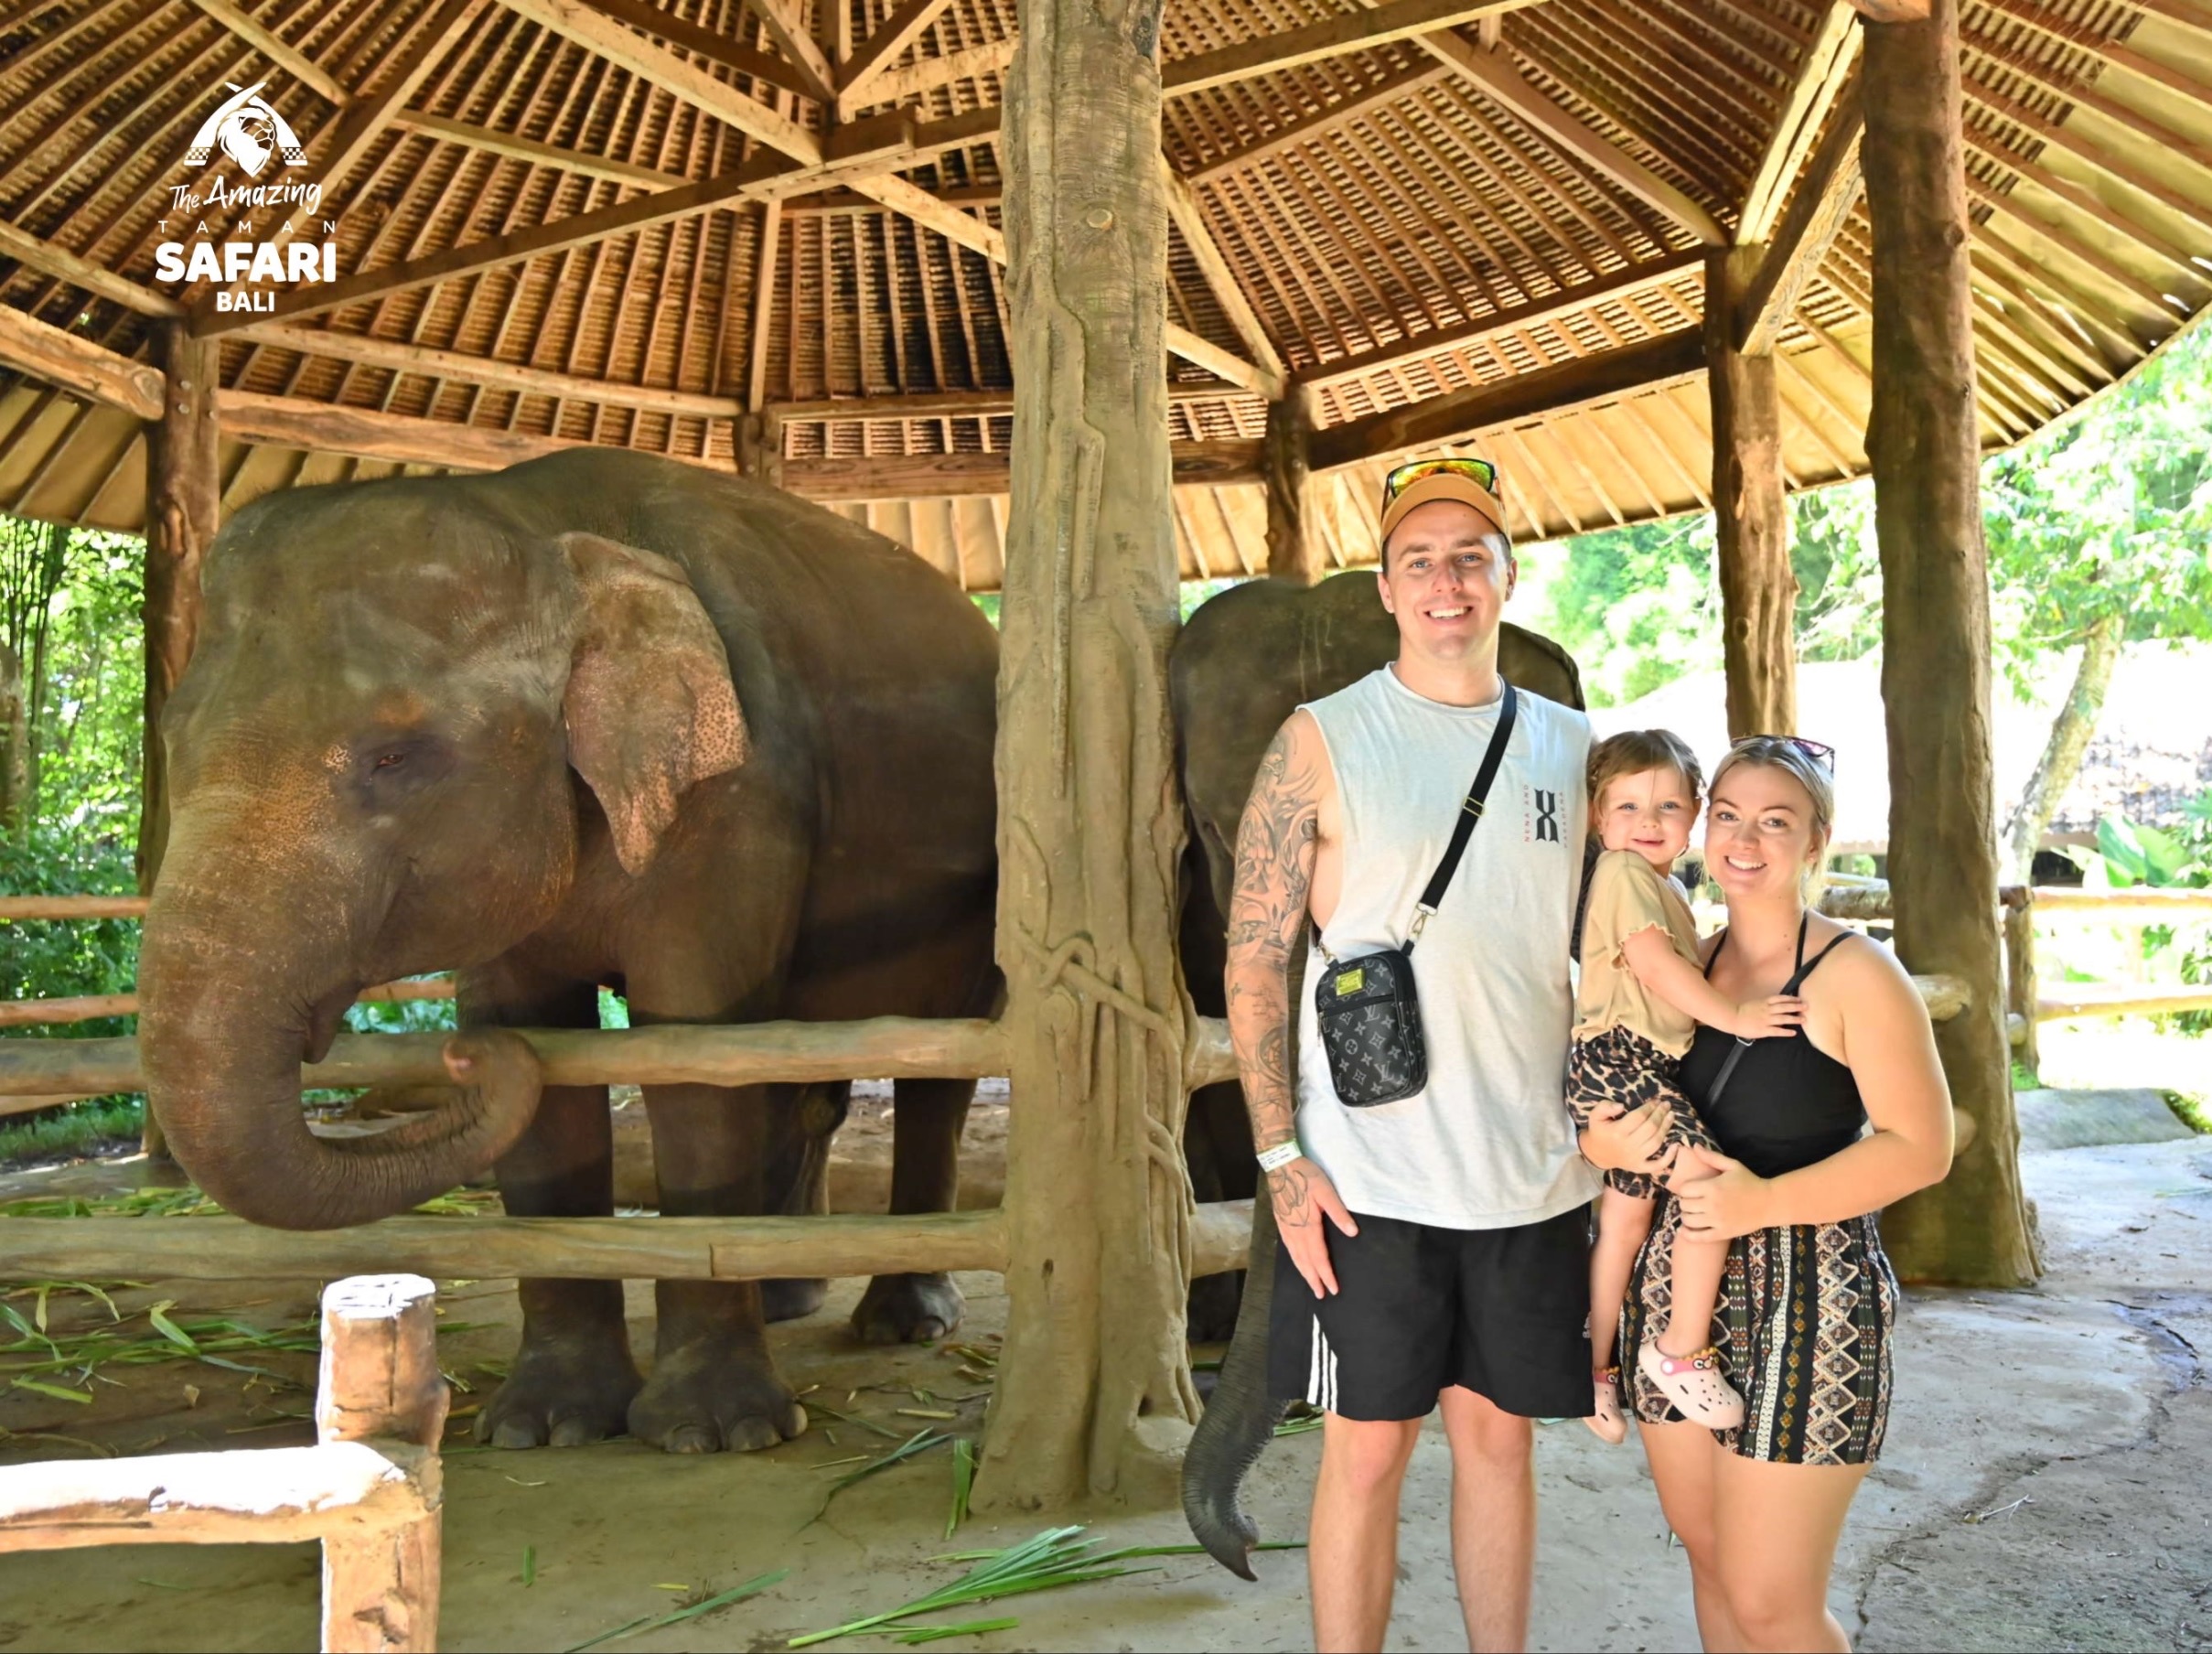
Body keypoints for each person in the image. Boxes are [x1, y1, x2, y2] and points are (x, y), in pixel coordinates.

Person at [1224, 455, 1595, 1654]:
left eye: (1469, 558)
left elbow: (1619, 941)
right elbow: (1251, 959)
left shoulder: (1572, 749)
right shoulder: (1318, 743)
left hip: (1533, 1170)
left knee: (1498, 1443)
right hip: (1366, 1179)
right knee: (1367, 1449)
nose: (1446, 583)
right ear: (1384, 588)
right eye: (1420, 562)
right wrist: (1280, 1154)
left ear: (1507, 577)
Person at [1581, 736, 1954, 1653]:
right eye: (1730, 815)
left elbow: (1925, 1147)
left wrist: (1759, 1204)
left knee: (1771, 1602)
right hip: (1679, 1298)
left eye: (1776, 821)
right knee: (1711, 1564)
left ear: (1817, 839)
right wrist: (1599, 1136)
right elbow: (1613, 1101)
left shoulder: (1855, 973)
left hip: (1814, 1295)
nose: (1746, 838)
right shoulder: (1684, 966)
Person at [1568, 730, 1804, 1442]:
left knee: (1624, 1225)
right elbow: (1654, 966)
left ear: (1696, 812)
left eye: (1669, 806)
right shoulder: (1622, 875)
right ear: (1598, 819)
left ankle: (1592, 1369)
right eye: (1629, 806)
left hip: (1630, 1060)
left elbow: (1676, 959)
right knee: (1705, 1182)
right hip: (1624, 1057)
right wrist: (1734, 1013)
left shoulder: (1663, 886)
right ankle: (1679, 1352)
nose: (1648, 822)